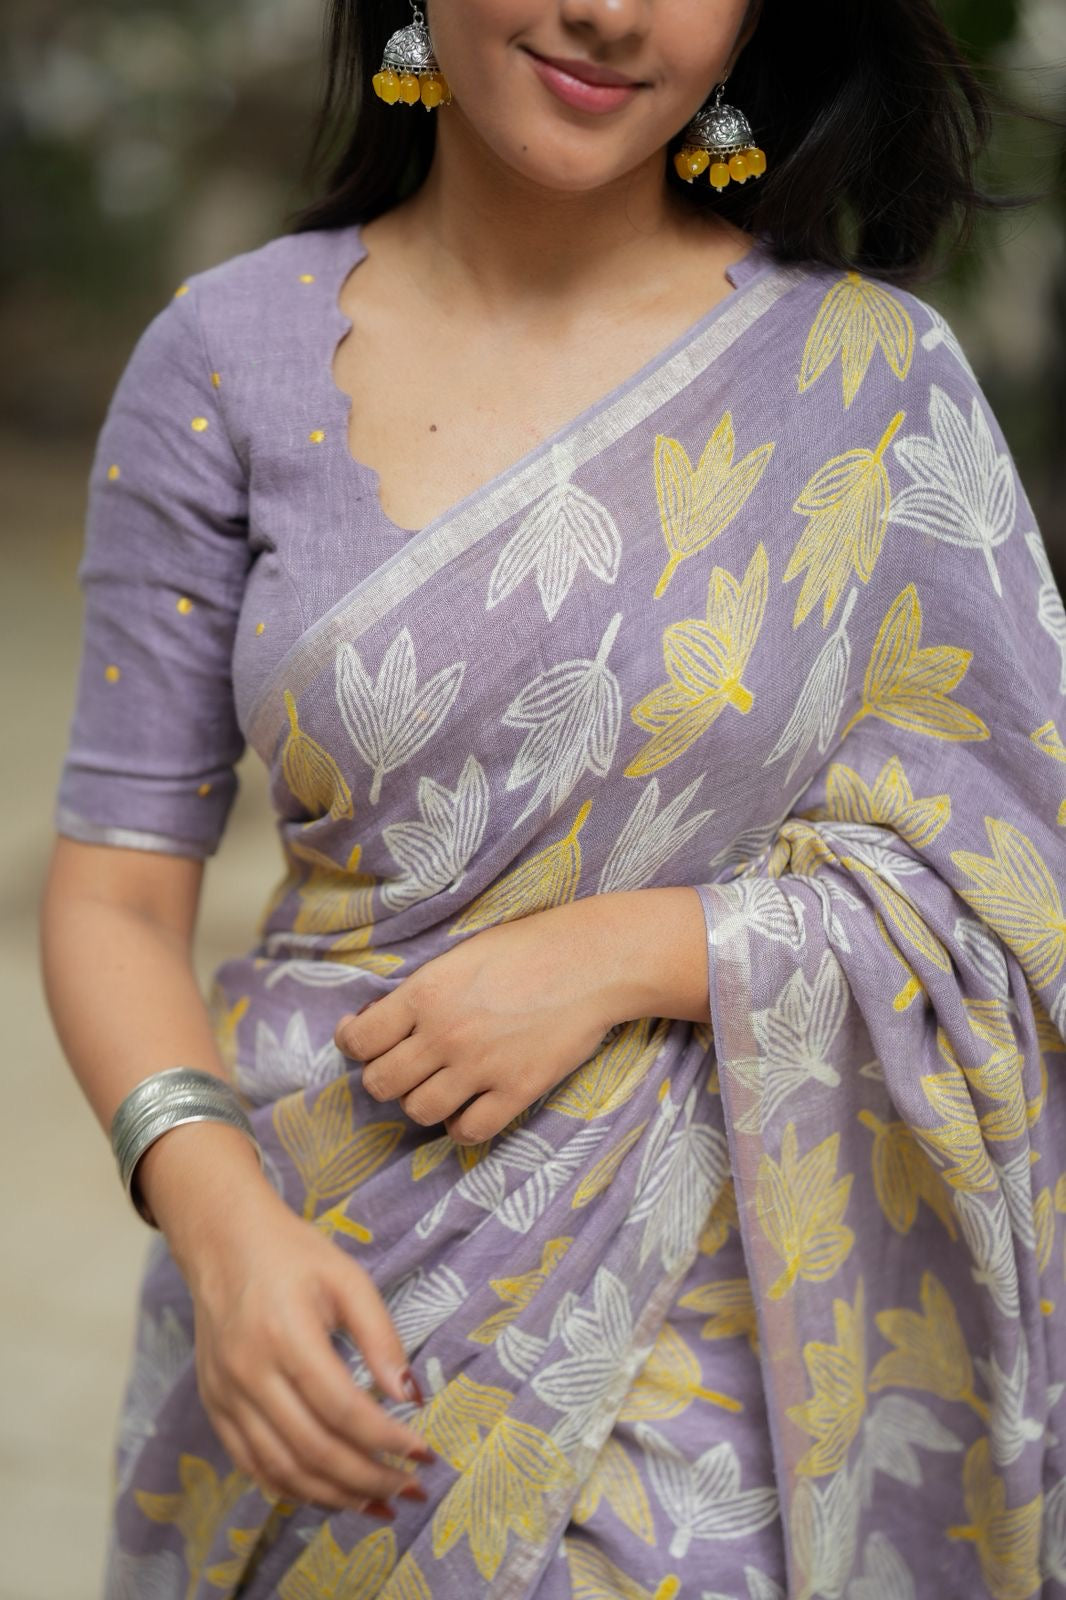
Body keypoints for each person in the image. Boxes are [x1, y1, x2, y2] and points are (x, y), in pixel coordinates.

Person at [39, 0, 1066, 1594]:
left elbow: (1020, 883)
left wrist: (635, 950)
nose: (608, 10)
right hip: (317, 1296)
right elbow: (113, 890)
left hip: (714, 1331)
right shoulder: (225, 357)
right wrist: (223, 1227)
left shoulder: (867, 387)